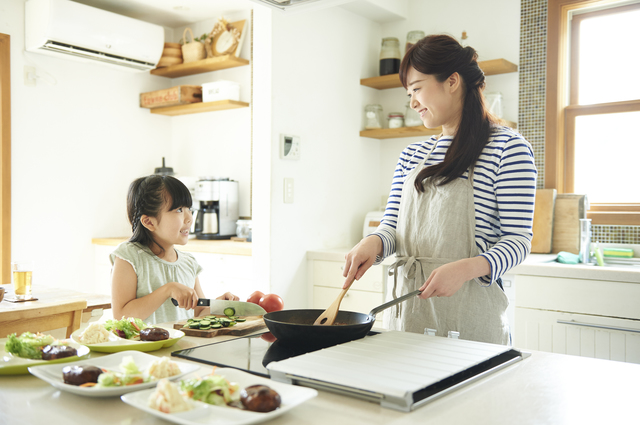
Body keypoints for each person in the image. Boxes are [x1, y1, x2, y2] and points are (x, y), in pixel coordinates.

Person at [343, 35, 537, 345]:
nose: (412, 102)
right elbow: (392, 227)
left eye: (417, 88)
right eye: (409, 93)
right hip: (408, 316)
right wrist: (374, 242)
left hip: (473, 323)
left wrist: (466, 269)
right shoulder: (411, 155)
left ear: (452, 81)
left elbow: (518, 242)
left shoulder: (508, 148)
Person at [110, 174, 239, 324]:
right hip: (141, 348)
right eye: (179, 210)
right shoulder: (129, 256)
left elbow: (198, 312)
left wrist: (219, 306)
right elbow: (121, 315)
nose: (189, 218)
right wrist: (168, 290)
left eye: (189, 209)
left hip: (182, 347)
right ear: (149, 222)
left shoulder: (189, 262)